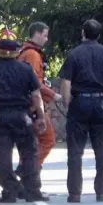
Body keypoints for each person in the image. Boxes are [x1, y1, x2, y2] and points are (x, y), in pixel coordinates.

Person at [58, 19, 103, 203]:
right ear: (98, 35)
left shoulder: (74, 54)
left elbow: (66, 82)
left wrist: (67, 102)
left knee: (75, 152)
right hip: (101, 104)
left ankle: (74, 194)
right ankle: (101, 193)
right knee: (101, 151)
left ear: (83, 33)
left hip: (79, 104)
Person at [0, 28, 49, 203]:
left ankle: (9, 192)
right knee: (28, 154)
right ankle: (32, 192)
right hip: (22, 117)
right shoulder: (25, 69)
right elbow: (36, 96)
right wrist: (40, 117)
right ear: (16, 48)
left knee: (3, 156)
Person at [14, 22, 62, 193]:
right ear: (36, 34)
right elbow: (35, 83)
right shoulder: (33, 55)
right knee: (47, 140)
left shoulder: (22, 53)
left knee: (31, 144)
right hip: (34, 106)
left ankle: (28, 181)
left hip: (24, 105)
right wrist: (53, 95)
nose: (47, 39)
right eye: (45, 35)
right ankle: (26, 171)